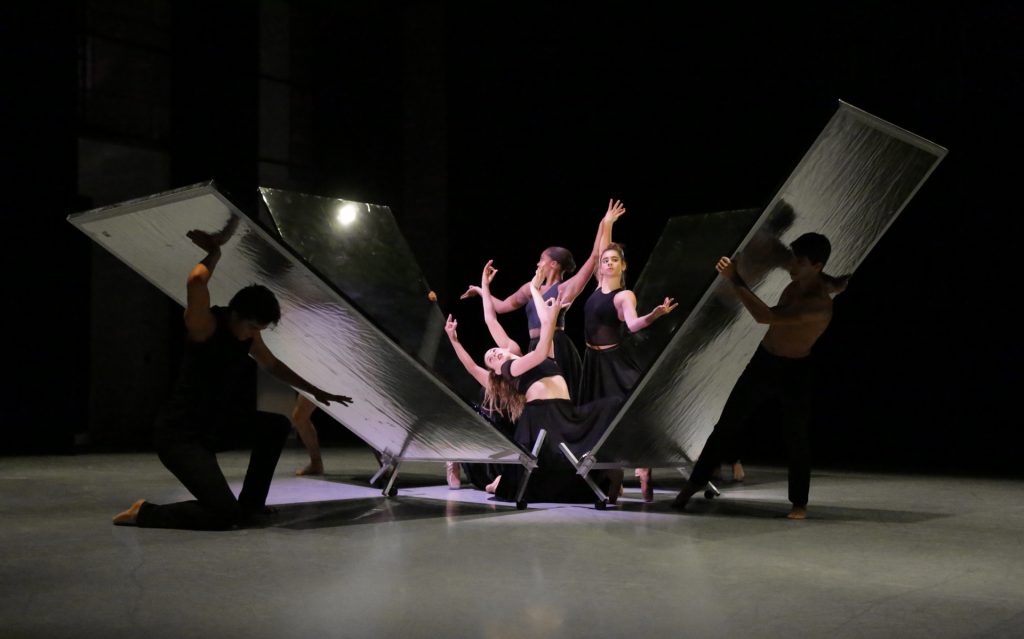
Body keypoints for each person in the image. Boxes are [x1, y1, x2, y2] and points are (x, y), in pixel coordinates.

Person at [112, 215, 352, 530]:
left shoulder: (249, 335)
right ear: (235, 314)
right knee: (225, 517)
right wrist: (214, 253)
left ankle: (251, 505)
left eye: (259, 330)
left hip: (215, 426)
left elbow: (273, 365)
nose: (253, 335)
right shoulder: (205, 326)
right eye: (252, 327)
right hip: (181, 436)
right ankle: (145, 512)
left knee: (275, 424)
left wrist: (316, 391)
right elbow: (196, 282)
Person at [671, 232, 840, 520]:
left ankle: (799, 502)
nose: (792, 265)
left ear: (817, 265)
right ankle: (691, 486)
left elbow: (765, 316)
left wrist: (735, 278)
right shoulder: (808, 278)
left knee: (796, 437)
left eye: (799, 261)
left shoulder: (818, 304)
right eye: (794, 259)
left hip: (796, 370)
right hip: (765, 361)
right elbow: (828, 276)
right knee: (726, 425)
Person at [446, 262, 623, 504]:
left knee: (611, 406)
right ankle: (498, 483)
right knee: (544, 468)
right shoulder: (511, 369)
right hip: (541, 418)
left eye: (495, 350)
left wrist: (498, 289)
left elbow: (495, 320)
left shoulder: (520, 356)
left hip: (565, 412)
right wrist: (454, 341)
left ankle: (604, 473)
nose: (494, 354)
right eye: (491, 359)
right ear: (495, 370)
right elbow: (474, 367)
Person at [460, 199, 626, 401]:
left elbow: (594, 257)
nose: (538, 263)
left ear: (554, 265)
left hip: (556, 343)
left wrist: (604, 223)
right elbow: (500, 307)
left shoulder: (565, 288)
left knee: (564, 393)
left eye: (542, 259)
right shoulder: (530, 289)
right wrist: (481, 288)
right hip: (535, 346)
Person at [578, 242, 678, 501]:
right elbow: (601, 247)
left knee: (626, 414)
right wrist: (608, 223)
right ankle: (614, 477)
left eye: (614, 260)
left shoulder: (624, 296)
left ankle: (643, 467)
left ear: (623, 265)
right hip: (593, 363)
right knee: (600, 419)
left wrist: (654, 315)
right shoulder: (597, 288)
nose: (608, 263)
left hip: (613, 363)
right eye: (605, 260)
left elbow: (632, 325)